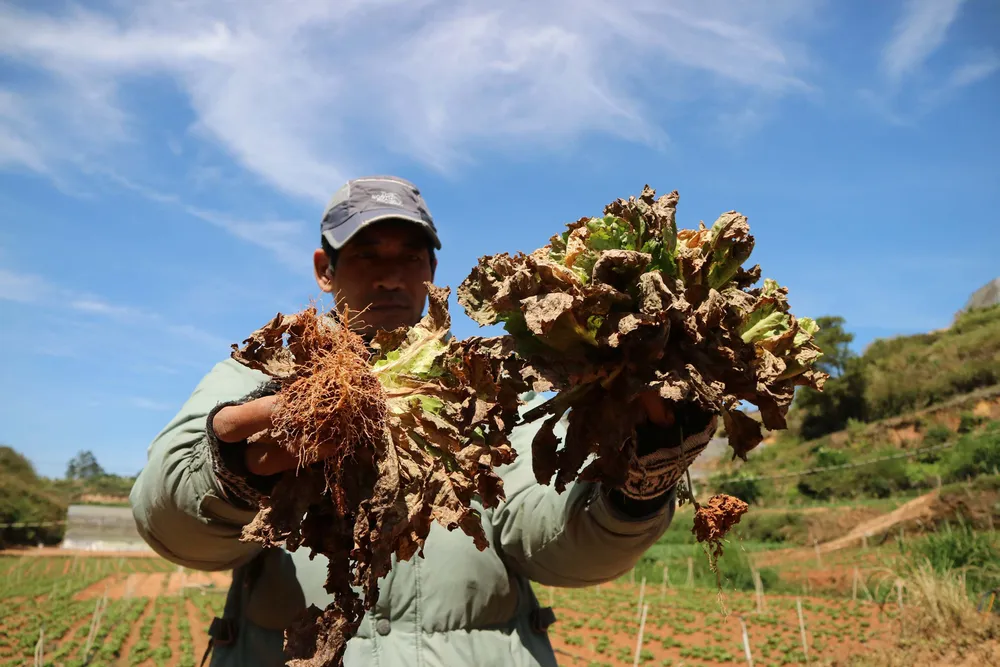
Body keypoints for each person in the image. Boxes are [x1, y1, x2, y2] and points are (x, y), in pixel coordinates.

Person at [130, 175, 717, 667]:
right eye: (366, 255)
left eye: (409, 257)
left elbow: (552, 544)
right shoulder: (264, 370)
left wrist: (637, 491)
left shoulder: (478, 386)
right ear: (323, 269)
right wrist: (234, 471)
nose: (390, 276)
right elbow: (170, 524)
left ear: (433, 267)